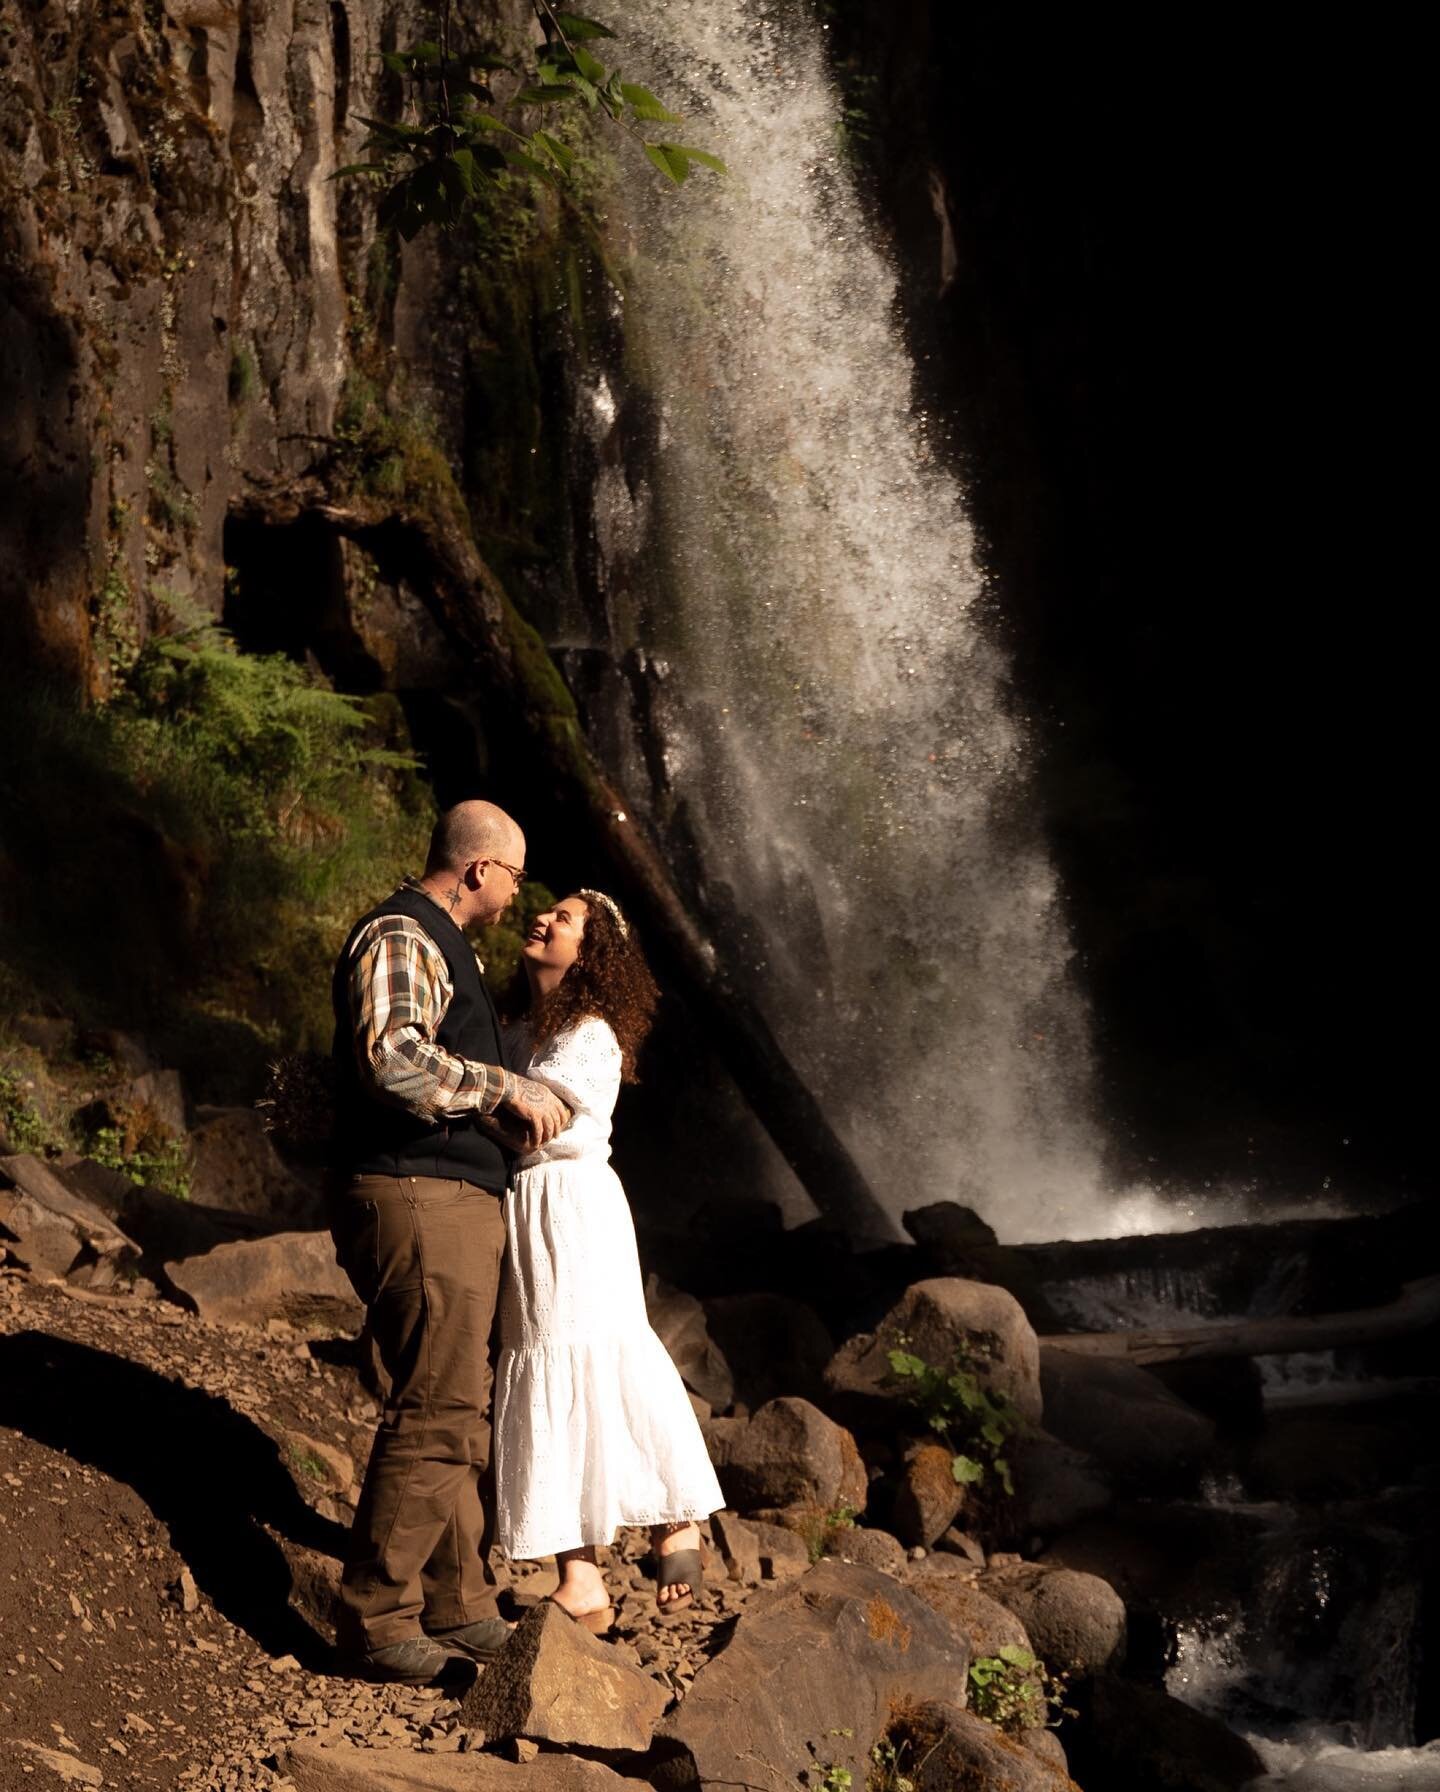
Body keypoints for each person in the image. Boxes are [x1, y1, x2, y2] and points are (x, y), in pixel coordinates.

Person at [328, 800, 572, 1684]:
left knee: (459, 1406)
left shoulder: (441, 943)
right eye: (512, 876)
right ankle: (375, 1616)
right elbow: (391, 1055)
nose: (516, 896)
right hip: (418, 1194)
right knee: (434, 1406)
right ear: (477, 870)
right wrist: (502, 1087)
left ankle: (458, 1600)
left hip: (446, 1192)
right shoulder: (404, 932)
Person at [494, 888, 725, 1631]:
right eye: (547, 909)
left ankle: (676, 1518)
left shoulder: (589, 1032)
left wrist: (459, 1098)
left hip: (571, 1205)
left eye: (565, 919)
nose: (544, 919)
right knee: (546, 1364)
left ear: (592, 953)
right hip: (530, 1209)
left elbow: (539, 1120)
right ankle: (582, 1576)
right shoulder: (520, 1026)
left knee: (593, 1354)